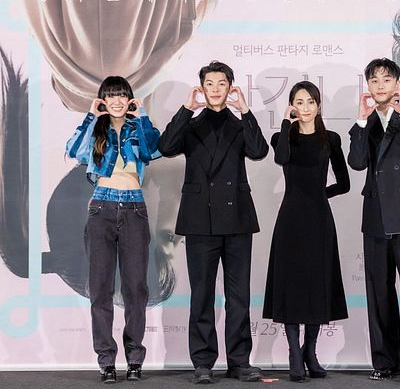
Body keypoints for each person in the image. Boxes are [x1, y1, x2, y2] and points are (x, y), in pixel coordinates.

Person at [158, 61, 268, 383]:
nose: (216, 89)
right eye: (210, 84)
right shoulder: (191, 124)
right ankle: (203, 362)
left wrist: (245, 110)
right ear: (202, 88)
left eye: (222, 83)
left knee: (239, 296)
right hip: (199, 220)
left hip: (237, 219)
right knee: (202, 294)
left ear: (231, 87)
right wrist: (186, 108)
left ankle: (239, 361)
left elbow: (259, 151)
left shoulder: (239, 123)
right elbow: (166, 147)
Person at [65, 76, 160, 383]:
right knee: (101, 288)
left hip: (134, 208)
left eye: (122, 95)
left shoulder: (136, 127)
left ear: (129, 99)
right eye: (111, 96)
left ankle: (135, 359)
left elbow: (152, 150)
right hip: (101, 208)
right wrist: (91, 116)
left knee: (136, 288)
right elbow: (74, 151)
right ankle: (106, 360)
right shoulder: (97, 129)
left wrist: (141, 116)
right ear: (103, 100)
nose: (117, 101)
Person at [263, 81, 349, 382]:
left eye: (311, 102)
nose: (306, 108)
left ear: (319, 105)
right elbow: (281, 158)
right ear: (291, 106)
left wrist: (318, 196)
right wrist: (286, 124)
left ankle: (310, 351)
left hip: (319, 220)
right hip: (290, 220)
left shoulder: (331, 139)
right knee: (291, 285)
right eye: (299, 102)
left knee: (317, 285)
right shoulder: (282, 137)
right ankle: (294, 354)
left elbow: (344, 183)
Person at [348, 58, 400, 380]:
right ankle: (384, 361)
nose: (380, 86)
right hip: (376, 218)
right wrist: (361, 120)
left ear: (397, 84)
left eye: (386, 79)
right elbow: (356, 163)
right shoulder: (366, 123)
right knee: (379, 293)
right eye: (374, 80)